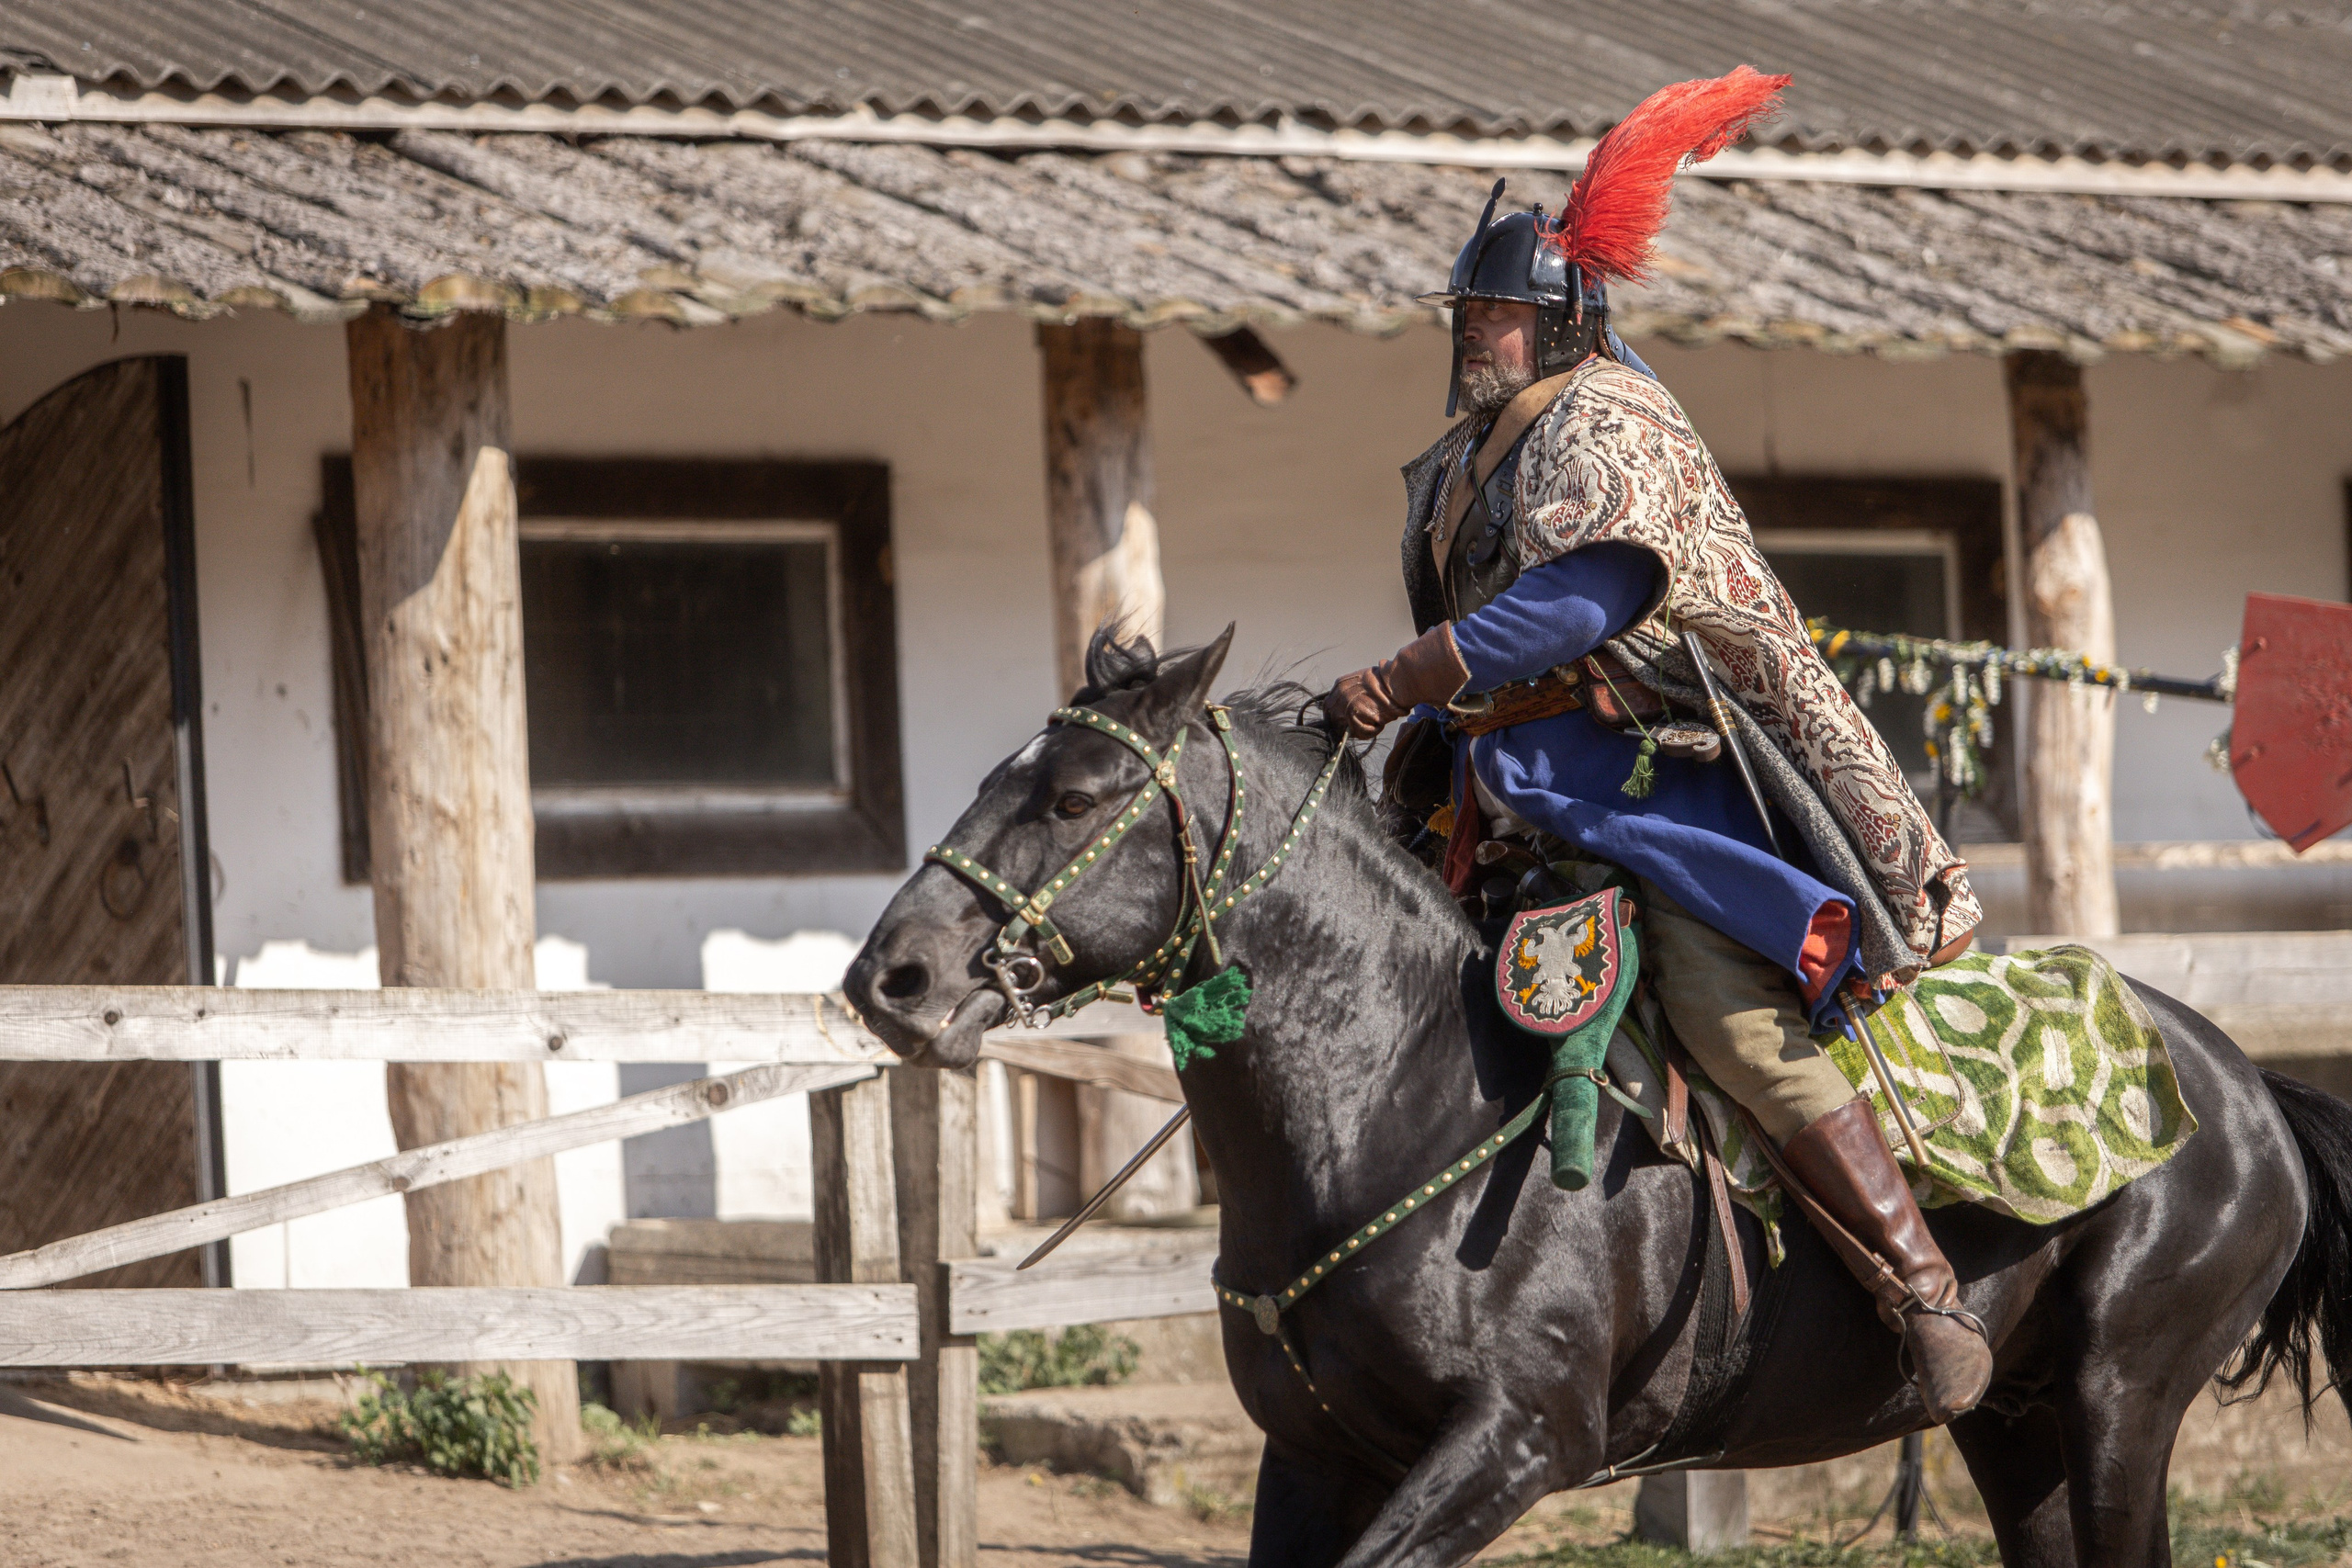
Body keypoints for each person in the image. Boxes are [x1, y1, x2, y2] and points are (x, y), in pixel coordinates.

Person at [1325, 68, 1993, 1422]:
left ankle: (1924, 1291)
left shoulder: (1614, 423)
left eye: (1503, 315)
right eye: (1472, 313)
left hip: (1650, 786)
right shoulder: (1470, 453)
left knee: (1722, 1013)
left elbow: (1578, 602)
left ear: (1565, 317)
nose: (1479, 333)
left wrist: (1399, 678)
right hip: (1503, 791)